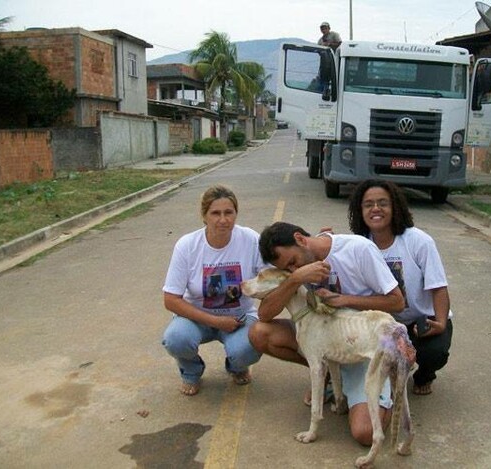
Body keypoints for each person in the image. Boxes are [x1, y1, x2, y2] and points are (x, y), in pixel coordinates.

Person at [249, 221, 405, 446]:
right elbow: (264, 314)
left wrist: (346, 300)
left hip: (362, 344)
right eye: (287, 268)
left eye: (293, 262)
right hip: (323, 338)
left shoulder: (358, 249)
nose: (292, 268)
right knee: (259, 332)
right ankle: (330, 377)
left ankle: (385, 387)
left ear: (301, 239)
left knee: (364, 433)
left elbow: (397, 301)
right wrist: (295, 278)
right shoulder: (294, 272)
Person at [348, 180, 453, 396]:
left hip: (421, 322)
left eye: (382, 203)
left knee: (435, 353)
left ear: (395, 207)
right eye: (368, 204)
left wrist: (441, 322)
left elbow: (439, 287)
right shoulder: (357, 245)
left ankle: (424, 375)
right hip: (381, 323)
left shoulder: (419, 241)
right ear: (360, 211)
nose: (375, 209)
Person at [162, 185, 265, 396]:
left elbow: (268, 280)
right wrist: (217, 322)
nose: (223, 219)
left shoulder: (251, 240)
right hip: (196, 318)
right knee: (176, 339)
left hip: (239, 319)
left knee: (250, 346)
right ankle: (191, 371)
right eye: (215, 213)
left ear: (236, 213)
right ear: (204, 216)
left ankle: (237, 366)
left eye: (229, 212)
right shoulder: (187, 245)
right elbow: (171, 299)